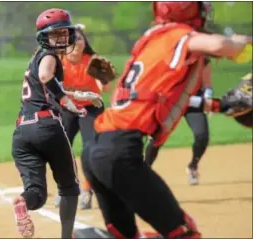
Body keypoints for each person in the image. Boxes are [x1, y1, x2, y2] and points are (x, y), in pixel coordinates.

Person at [80, 2, 252, 238]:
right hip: (119, 155)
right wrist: (247, 41)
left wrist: (219, 105)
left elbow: (165, 101)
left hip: (96, 152)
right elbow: (221, 45)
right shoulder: (178, 36)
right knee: (182, 232)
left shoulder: (151, 42)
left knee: (124, 235)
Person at [11, 8, 102, 238]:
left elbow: (46, 87)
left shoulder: (36, 57)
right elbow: (45, 77)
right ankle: (66, 236)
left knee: (37, 195)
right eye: (55, 34)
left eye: (64, 33)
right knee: (70, 189)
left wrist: (83, 95)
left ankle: (23, 202)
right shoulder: (49, 56)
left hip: (22, 133)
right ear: (45, 37)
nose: (61, 38)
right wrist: (67, 102)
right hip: (46, 127)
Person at [54, 24, 111, 210]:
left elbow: (104, 89)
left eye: (79, 38)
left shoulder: (92, 61)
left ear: (84, 41)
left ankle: (87, 191)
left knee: (90, 149)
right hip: (68, 108)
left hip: (91, 109)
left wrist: (103, 78)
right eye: (71, 39)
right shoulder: (58, 61)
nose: (76, 42)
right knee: (61, 150)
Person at [145, 57, 213, 185]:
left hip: (193, 103)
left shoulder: (201, 59)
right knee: (157, 138)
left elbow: (207, 85)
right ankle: (144, 170)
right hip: (171, 103)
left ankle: (193, 166)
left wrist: (208, 98)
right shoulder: (169, 57)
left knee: (202, 136)